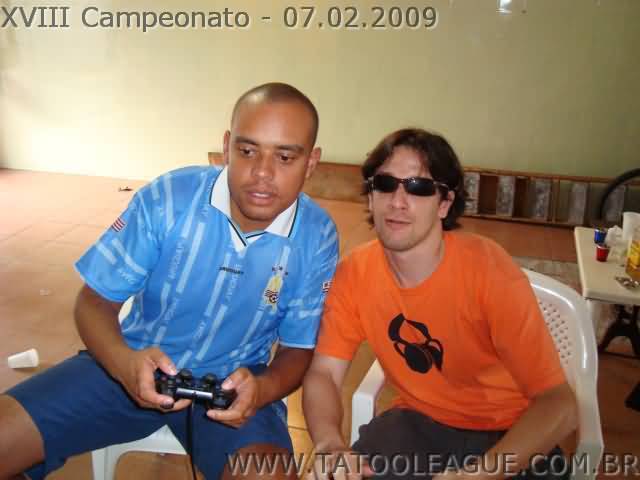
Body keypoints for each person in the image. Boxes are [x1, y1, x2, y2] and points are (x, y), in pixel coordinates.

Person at [0, 82, 339, 480]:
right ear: (226, 146)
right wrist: (124, 365)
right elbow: (95, 301)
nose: (263, 173)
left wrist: (262, 391)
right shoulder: (170, 198)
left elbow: (298, 348)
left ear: (310, 163)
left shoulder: (316, 237)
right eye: (247, 151)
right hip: (129, 362)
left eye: (285, 157)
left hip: (236, 386)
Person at [302, 128, 577, 480]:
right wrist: (329, 443)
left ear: (445, 204)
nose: (398, 201)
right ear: (371, 197)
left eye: (418, 187)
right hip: (418, 424)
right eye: (385, 184)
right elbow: (324, 373)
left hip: (510, 434)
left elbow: (559, 403)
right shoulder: (355, 273)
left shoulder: (489, 271)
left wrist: (479, 475)